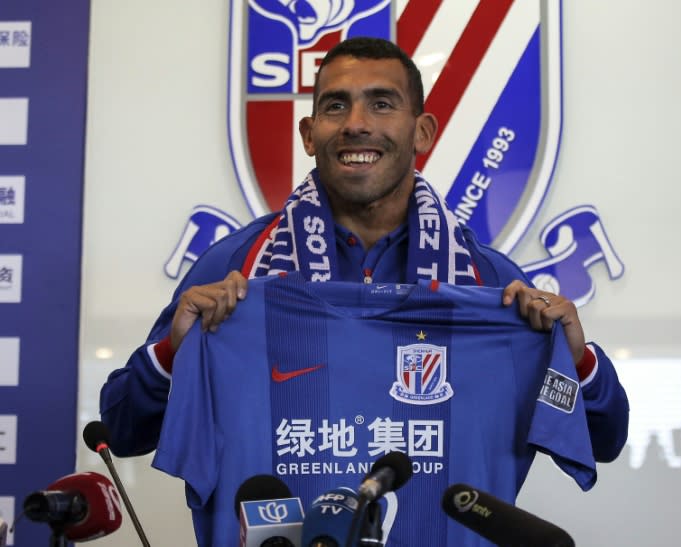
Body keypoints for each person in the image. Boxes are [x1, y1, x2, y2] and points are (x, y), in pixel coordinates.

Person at [100, 36, 628, 468]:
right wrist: (173, 352)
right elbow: (122, 431)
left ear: (422, 132)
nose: (356, 123)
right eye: (336, 106)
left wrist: (576, 360)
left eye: (382, 103)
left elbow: (604, 441)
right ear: (309, 135)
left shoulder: (490, 283)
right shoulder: (236, 266)